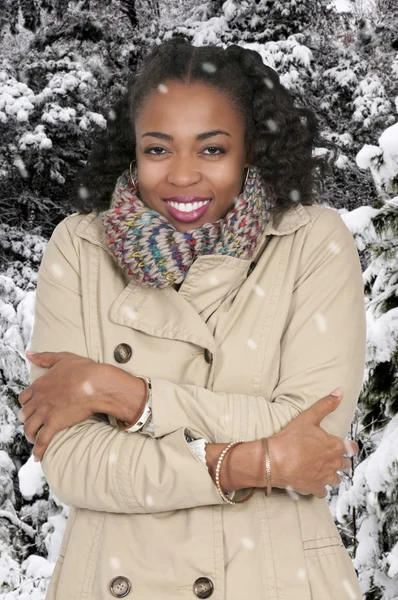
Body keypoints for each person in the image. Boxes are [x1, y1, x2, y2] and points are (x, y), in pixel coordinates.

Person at [19, 38, 366, 600]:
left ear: (249, 151)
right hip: (114, 573)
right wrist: (249, 463)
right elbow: (72, 462)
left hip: (269, 579)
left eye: (211, 150)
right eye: (159, 149)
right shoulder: (80, 248)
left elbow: (313, 439)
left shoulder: (310, 243)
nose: (182, 176)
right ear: (132, 152)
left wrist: (124, 393)